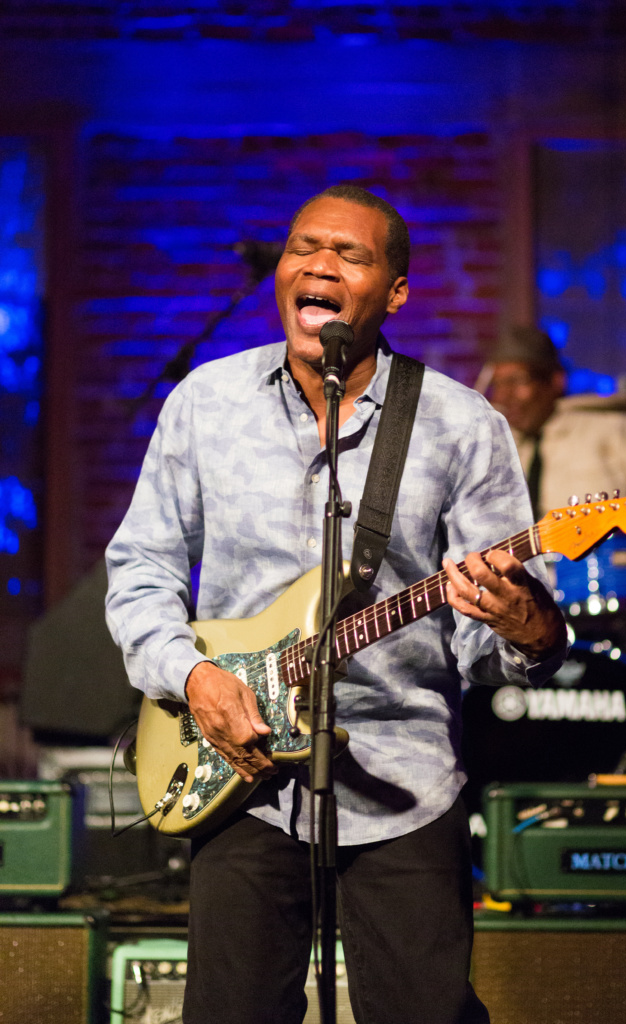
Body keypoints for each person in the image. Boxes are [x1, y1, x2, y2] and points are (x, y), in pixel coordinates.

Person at [105, 184, 567, 1024]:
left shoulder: (460, 425)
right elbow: (140, 569)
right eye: (302, 248)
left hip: (401, 779)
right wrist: (193, 676)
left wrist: (520, 622)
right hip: (241, 778)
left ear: (393, 292)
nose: (318, 264)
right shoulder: (206, 405)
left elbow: (489, 650)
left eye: (348, 254)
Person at [480, 326, 626, 535]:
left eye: (517, 381)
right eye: (498, 384)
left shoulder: (612, 428)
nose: (503, 396)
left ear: (555, 381)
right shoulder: (499, 448)